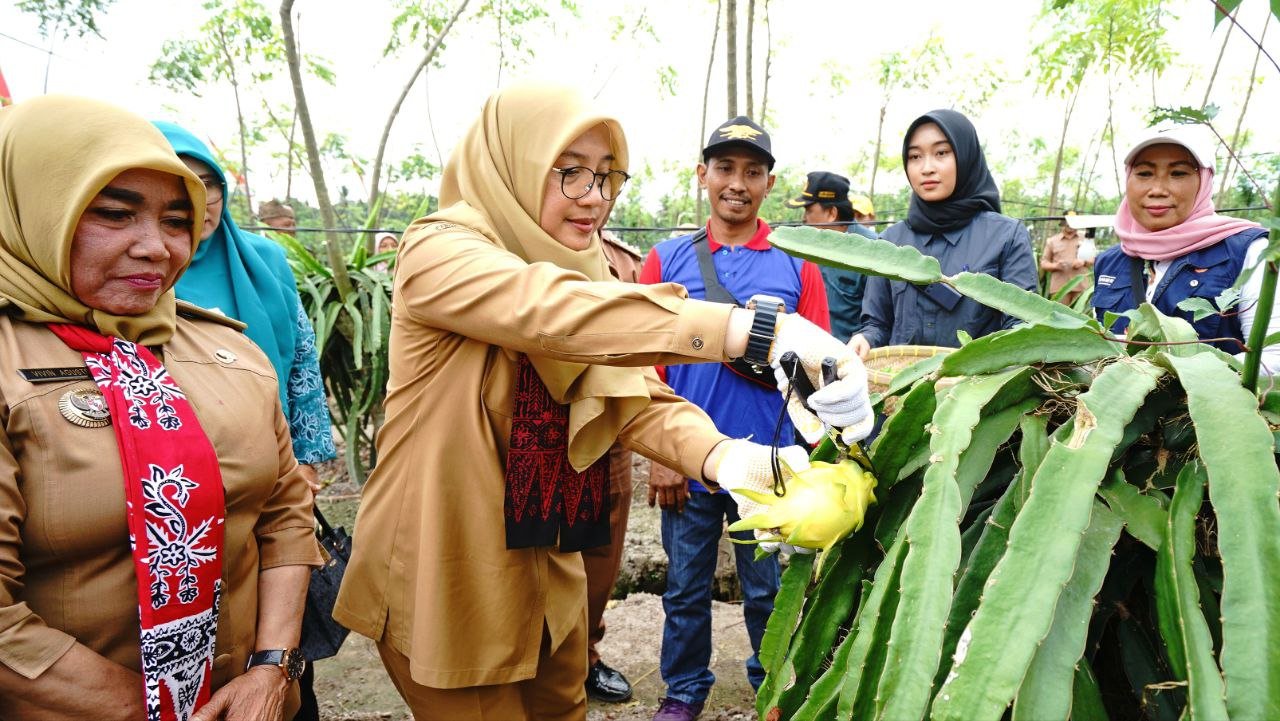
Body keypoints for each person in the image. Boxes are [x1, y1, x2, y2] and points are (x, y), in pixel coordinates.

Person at [331, 84, 870, 721]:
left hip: (550, 568)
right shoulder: (438, 251)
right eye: (571, 173)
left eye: (608, 175)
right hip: (449, 575)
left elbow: (635, 394)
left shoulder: (589, 272)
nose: (596, 196)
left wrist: (730, 461)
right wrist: (751, 331)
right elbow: (546, 312)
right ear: (513, 164)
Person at [0, 95, 321, 721]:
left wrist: (272, 669)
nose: (156, 248)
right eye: (115, 215)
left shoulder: (227, 348)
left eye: (178, 221)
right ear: (35, 209)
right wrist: (163, 711)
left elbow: (285, 516)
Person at [639, 116, 831, 721]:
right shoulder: (665, 260)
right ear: (703, 176)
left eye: (752, 171)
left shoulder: (798, 264)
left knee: (769, 588)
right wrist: (660, 459)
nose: (737, 183)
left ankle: (772, 684)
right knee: (686, 587)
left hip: (769, 461)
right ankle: (684, 690)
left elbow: (820, 364)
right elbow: (643, 366)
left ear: (768, 183)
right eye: (725, 168)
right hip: (687, 461)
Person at [155, 121, 338, 721]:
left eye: (209, 183)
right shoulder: (137, 270)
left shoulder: (262, 261)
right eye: (181, 182)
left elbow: (300, 356)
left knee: (279, 635)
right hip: (171, 491)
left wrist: (307, 458)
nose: (199, 199)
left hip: (269, 476)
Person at [852, 109, 1038, 356]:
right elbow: (877, 324)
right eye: (915, 156)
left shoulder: (1006, 236)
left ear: (965, 156)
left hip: (979, 389)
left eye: (941, 153)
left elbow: (1021, 326)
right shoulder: (889, 242)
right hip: (900, 387)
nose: (926, 168)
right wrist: (864, 339)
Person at [1091, 123, 1275, 367]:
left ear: (1204, 180)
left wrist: (1176, 378)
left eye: (1178, 173)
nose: (1157, 189)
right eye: (1144, 173)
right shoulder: (1111, 261)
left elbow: (1273, 357)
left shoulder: (1248, 252)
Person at [582, 228, 643, 704]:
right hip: (538, 434)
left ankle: (586, 657)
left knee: (601, 557)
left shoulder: (623, 260)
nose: (591, 195)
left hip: (611, 435)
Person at [785, 170, 876, 342]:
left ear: (832, 214)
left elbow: (880, 319)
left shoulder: (871, 251)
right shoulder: (806, 246)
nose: (804, 218)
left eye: (809, 210)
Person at [1040, 212, 1093, 305]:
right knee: (1059, 316)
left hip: (1081, 286)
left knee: (1080, 317)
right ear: (1062, 223)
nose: (1070, 224)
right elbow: (1044, 263)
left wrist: (1083, 262)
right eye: (1067, 221)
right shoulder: (1052, 241)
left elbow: (1094, 258)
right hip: (1060, 288)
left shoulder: (1085, 238)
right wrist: (1056, 266)